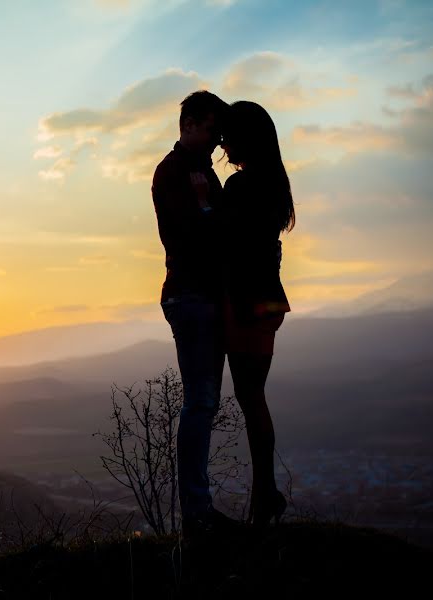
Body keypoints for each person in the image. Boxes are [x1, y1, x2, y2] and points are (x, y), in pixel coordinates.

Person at [151, 90, 238, 538]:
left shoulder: (202, 173)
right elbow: (190, 237)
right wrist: (209, 212)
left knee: (203, 403)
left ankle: (198, 509)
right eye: (210, 131)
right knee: (200, 403)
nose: (215, 142)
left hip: (202, 296)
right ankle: (197, 512)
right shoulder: (171, 173)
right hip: (190, 296)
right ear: (188, 125)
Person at [217, 100, 295, 531]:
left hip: (245, 304)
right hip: (268, 303)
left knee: (250, 399)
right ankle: (264, 494)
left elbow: (224, 245)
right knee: (254, 400)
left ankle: (264, 496)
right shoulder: (274, 186)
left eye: (229, 136)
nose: (224, 145)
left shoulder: (240, 187)